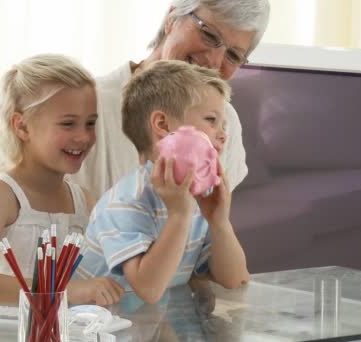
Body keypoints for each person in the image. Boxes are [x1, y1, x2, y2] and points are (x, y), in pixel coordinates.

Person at [0, 54, 124, 305]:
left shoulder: (84, 201)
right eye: (68, 124)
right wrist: (68, 291)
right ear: (22, 126)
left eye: (90, 123)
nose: (83, 137)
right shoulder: (1, 195)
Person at [75, 60, 249, 304]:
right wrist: (179, 215)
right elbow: (149, 290)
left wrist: (219, 222)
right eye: (211, 120)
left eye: (224, 125)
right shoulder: (125, 202)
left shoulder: (200, 198)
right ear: (163, 125)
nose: (222, 134)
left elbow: (234, 280)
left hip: (148, 325)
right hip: (93, 328)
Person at [70, 0, 270, 199]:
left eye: (233, 55)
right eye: (209, 35)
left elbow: (211, 225)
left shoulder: (226, 122)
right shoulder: (87, 106)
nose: (214, 61)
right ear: (171, 19)